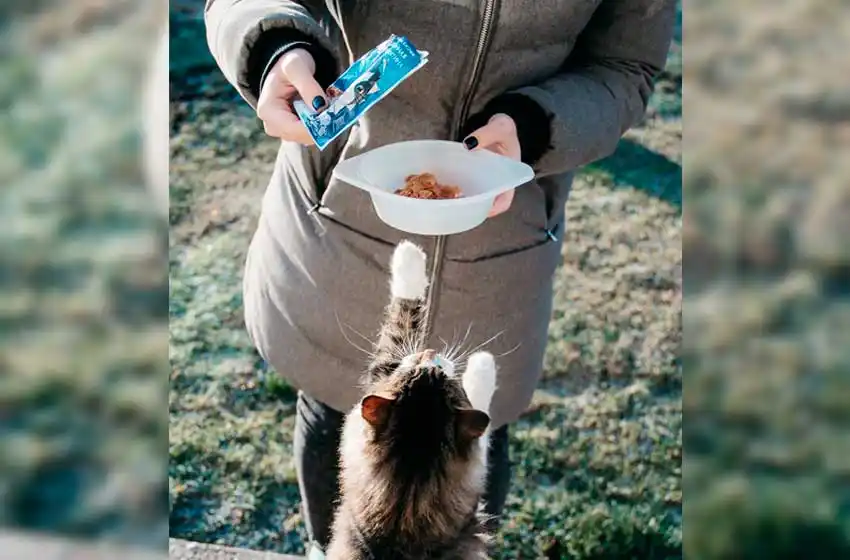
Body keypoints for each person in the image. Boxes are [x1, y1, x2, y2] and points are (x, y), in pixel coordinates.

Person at [204, 0, 676, 553]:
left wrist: (534, 124)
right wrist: (274, 48)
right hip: (342, 223)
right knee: (334, 409)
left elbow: (626, 68)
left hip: (503, 250)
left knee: (472, 444)